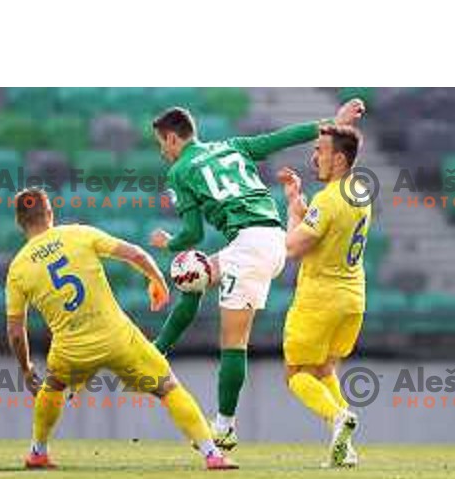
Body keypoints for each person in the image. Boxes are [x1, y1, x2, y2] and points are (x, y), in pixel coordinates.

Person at [149, 100, 365, 449]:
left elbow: (192, 234)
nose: (162, 151)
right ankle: (157, 350)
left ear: (173, 139)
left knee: (233, 342)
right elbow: (280, 138)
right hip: (272, 238)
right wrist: (331, 123)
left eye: (162, 143)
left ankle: (225, 426)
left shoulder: (179, 171)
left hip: (250, 248)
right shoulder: (231, 146)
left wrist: (168, 242)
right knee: (193, 275)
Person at [5, 187, 238, 470]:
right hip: (118, 338)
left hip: (71, 350)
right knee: (167, 387)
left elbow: (16, 333)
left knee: (52, 386)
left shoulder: (18, 268)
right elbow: (137, 254)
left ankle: (38, 452)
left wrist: (27, 368)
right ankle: (211, 454)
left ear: (19, 222)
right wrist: (157, 281)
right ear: (50, 213)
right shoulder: (79, 234)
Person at [279, 124, 370, 467]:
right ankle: (345, 448)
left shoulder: (328, 198)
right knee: (324, 368)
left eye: (321, 150)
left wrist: (291, 208)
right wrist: (303, 210)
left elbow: (293, 247)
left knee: (296, 374)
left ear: (340, 159)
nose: (314, 156)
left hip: (320, 300)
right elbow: (327, 233)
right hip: (352, 299)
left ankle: (338, 418)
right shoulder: (359, 192)